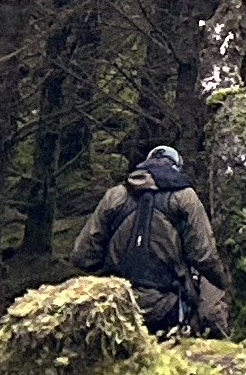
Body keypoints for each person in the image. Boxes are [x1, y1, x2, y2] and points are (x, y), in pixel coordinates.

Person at [73, 142, 232, 336]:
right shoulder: (185, 197)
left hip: (116, 305)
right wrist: (225, 283)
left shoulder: (115, 196)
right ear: (176, 168)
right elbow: (204, 256)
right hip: (167, 307)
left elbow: (82, 256)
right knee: (210, 288)